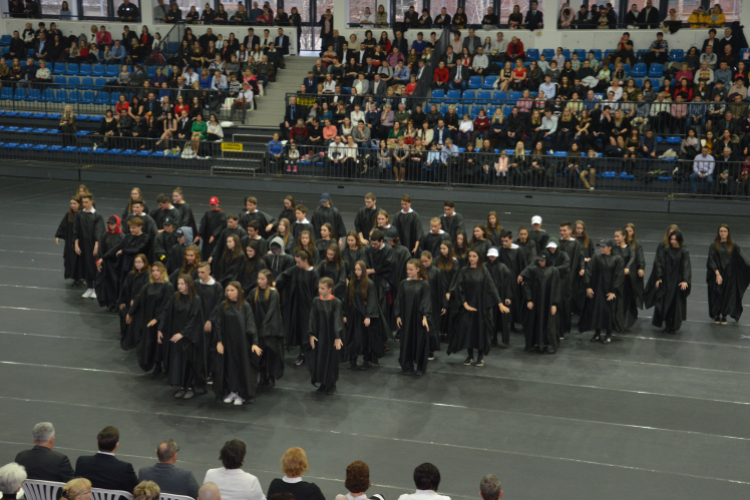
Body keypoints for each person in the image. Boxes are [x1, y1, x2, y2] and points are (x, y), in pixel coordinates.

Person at [448, 249, 504, 365]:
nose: (471, 258)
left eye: (474, 256)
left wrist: (500, 303)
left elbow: (491, 287)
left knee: (480, 330)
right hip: (467, 307)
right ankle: (470, 356)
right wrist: (465, 304)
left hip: (481, 308)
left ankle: (480, 356)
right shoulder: (464, 271)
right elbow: (459, 288)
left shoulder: (483, 270)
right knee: (468, 330)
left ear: (479, 257)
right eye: (470, 256)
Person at [159, 275, 205, 399]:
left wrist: (183, 333)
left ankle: (190, 387)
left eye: (182, 284)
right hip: (175, 335)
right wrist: (160, 329)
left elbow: (195, 319)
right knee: (178, 361)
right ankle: (182, 386)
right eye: (178, 284)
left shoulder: (195, 299)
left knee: (188, 362)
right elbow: (166, 312)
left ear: (189, 285)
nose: (180, 286)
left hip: (189, 338)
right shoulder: (174, 297)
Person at [126, 262, 174, 374]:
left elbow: (166, 306)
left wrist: (157, 319)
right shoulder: (149, 285)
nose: (155, 273)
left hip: (161, 321)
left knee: (160, 344)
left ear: (163, 272)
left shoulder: (168, 286)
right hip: (148, 319)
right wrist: (130, 313)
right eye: (153, 271)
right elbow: (139, 298)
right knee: (149, 343)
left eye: (158, 270)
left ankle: (163, 367)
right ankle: (155, 365)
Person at [275, 252, 320, 366]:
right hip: (297, 305)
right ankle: (302, 353)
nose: (297, 264)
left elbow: (316, 291)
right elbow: (284, 275)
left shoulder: (314, 273)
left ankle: (308, 354)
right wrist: (275, 282)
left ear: (305, 261)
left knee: (307, 330)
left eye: (299, 262)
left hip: (309, 307)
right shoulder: (296, 269)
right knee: (299, 329)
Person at [579, 239, 624, 343]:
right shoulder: (596, 258)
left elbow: (619, 276)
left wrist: (614, 290)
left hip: (609, 290)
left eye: (604, 246)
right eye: (601, 246)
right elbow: (588, 271)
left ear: (610, 248)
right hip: (598, 289)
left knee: (609, 312)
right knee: (597, 311)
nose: (602, 248)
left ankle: (608, 334)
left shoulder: (617, 259)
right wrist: (588, 286)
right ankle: (597, 333)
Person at [393, 259, 432, 375]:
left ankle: (420, 367)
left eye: (411, 269)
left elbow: (426, 300)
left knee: (419, 341)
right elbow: (398, 300)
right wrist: (398, 315)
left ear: (418, 269)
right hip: (406, 318)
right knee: (406, 341)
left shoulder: (424, 284)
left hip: (418, 318)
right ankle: (407, 366)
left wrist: (425, 317)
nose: (408, 271)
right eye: (407, 269)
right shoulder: (403, 283)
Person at [519, 250, 561, 353]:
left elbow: (557, 288)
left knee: (548, 323)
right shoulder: (534, 270)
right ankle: (536, 343)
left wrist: (554, 303)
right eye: (539, 261)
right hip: (536, 302)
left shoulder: (554, 271)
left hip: (548, 302)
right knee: (536, 322)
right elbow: (526, 284)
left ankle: (548, 344)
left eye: (543, 261)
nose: (541, 262)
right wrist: (529, 299)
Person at [707, 224, 750, 325]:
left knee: (727, 295)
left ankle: (724, 315)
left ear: (728, 233)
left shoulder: (733, 246)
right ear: (718, 233)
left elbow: (743, 258)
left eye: (725, 231)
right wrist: (717, 274)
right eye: (721, 231)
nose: (722, 233)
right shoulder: (714, 245)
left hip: (729, 275)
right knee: (716, 294)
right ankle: (717, 314)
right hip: (717, 274)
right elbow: (711, 260)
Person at [74, 426, 138, 492]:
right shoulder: (125, 468)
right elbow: (136, 491)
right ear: (117, 445)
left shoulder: (82, 461)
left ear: (97, 442)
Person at [651, 231, 691, 334]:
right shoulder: (666, 250)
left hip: (677, 281)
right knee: (665, 303)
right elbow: (660, 264)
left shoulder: (684, 251)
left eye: (675, 239)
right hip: (666, 280)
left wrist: (685, 280)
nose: (673, 241)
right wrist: (659, 277)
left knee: (675, 304)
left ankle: (673, 325)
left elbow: (686, 266)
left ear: (679, 240)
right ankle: (668, 324)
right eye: (671, 239)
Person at [74, 194, 104, 300]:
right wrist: (76, 245)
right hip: (83, 245)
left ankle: (96, 288)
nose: (84, 204)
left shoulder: (97, 216)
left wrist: (96, 246)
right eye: (83, 202)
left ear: (91, 202)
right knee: (85, 265)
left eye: (86, 202)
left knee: (94, 266)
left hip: (93, 245)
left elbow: (99, 232)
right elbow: (76, 230)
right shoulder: (79, 215)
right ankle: (89, 287)